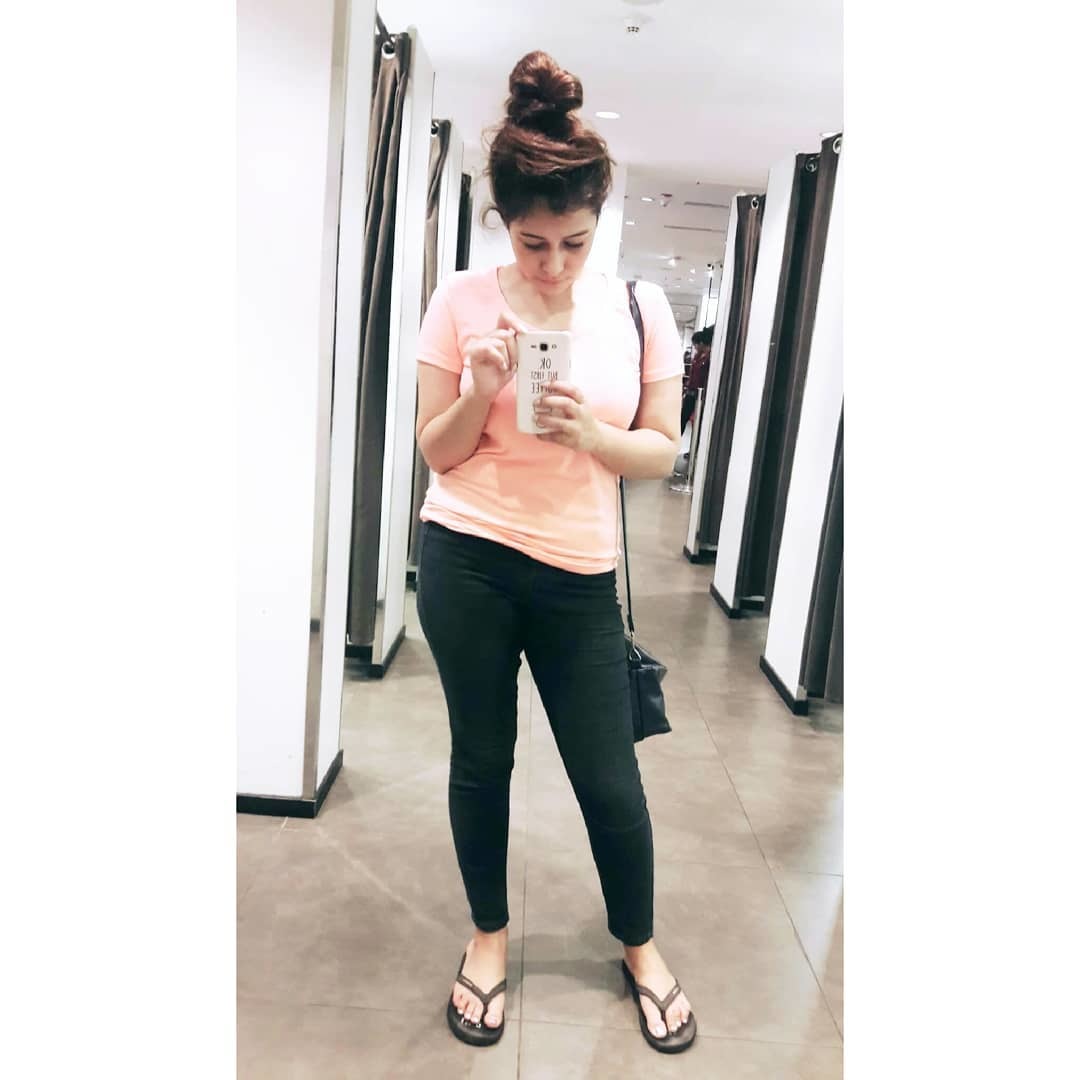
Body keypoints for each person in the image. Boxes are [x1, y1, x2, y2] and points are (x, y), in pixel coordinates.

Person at [414, 50, 697, 1055]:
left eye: (573, 242)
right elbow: (436, 452)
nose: (551, 266)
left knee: (610, 780)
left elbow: (661, 453)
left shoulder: (639, 310)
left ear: (598, 221)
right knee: (482, 758)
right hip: (469, 557)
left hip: (580, 574)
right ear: (504, 222)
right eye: (533, 243)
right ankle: (487, 938)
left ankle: (640, 946)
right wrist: (478, 391)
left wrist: (594, 437)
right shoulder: (460, 301)